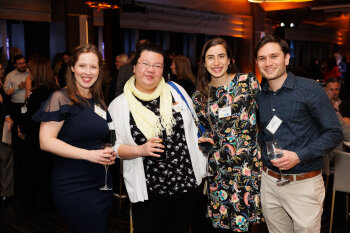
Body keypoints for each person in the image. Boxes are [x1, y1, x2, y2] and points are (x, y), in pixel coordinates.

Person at [108, 42, 206, 233]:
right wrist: (141, 150)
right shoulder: (119, 106)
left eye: (157, 65)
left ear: (164, 70)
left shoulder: (176, 91)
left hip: (185, 186)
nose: (150, 70)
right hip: (148, 192)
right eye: (145, 64)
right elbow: (113, 147)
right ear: (134, 67)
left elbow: (194, 126)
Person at [255, 35, 343, 233]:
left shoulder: (310, 89)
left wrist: (298, 156)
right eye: (262, 58)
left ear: (286, 58)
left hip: (303, 184)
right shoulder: (260, 95)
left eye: (274, 56)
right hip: (269, 182)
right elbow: (264, 133)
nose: (268, 63)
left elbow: (334, 133)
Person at [32, 44, 116, 233]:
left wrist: (107, 151)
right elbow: (45, 141)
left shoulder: (99, 102)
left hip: (101, 182)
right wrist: (89, 155)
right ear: (72, 68)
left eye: (93, 67)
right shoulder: (60, 97)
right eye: (82, 66)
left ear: (99, 70)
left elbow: (105, 135)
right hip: (73, 184)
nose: (88, 72)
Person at [192, 37, 263, 232]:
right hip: (219, 169)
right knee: (222, 226)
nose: (216, 63)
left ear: (230, 59)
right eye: (210, 57)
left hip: (246, 168)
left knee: (244, 225)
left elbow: (264, 116)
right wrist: (202, 138)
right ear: (204, 63)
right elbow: (202, 129)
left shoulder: (247, 82)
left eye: (221, 56)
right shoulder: (200, 96)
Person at [18, 56, 59, 206]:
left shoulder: (40, 94)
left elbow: (31, 116)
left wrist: (22, 128)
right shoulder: (53, 91)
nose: (28, 72)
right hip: (47, 138)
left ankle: (38, 202)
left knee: (37, 169)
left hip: (37, 138)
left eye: (30, 70)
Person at [0, 62, 14, 206]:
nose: (2, 70)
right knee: (5, 156)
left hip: (2, 124)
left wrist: (7, 116)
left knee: (6, 155)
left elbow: (3, 105)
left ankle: (6, 192)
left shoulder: (0, 83)